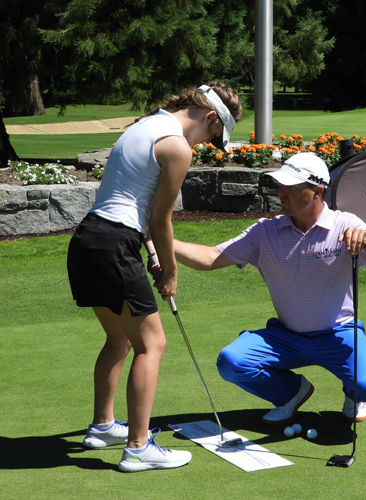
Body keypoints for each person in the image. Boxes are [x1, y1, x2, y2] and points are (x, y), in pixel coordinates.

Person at [67, 81, 242, 472]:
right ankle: (138, 447)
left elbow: (138, 208)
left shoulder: (144, 126)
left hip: (89, 240)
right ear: (211, 117)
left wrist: (149, 255)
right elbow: (162, 221)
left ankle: (102, 426)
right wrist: (172, 273)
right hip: (114, 244)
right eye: (213, 136)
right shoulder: (177, 147)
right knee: (152, 344)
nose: (204, 144)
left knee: (118, 338)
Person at [173, 152, 366, 427]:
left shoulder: (346, 225)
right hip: (286, 337)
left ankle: (355, 393)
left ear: (317, 191)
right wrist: (163, 240)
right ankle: (292, 392)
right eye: (280, 186)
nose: (281, 193)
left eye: (290, 187)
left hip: (338, 335)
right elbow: (210, 258)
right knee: (231, 361)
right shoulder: (265, 231)